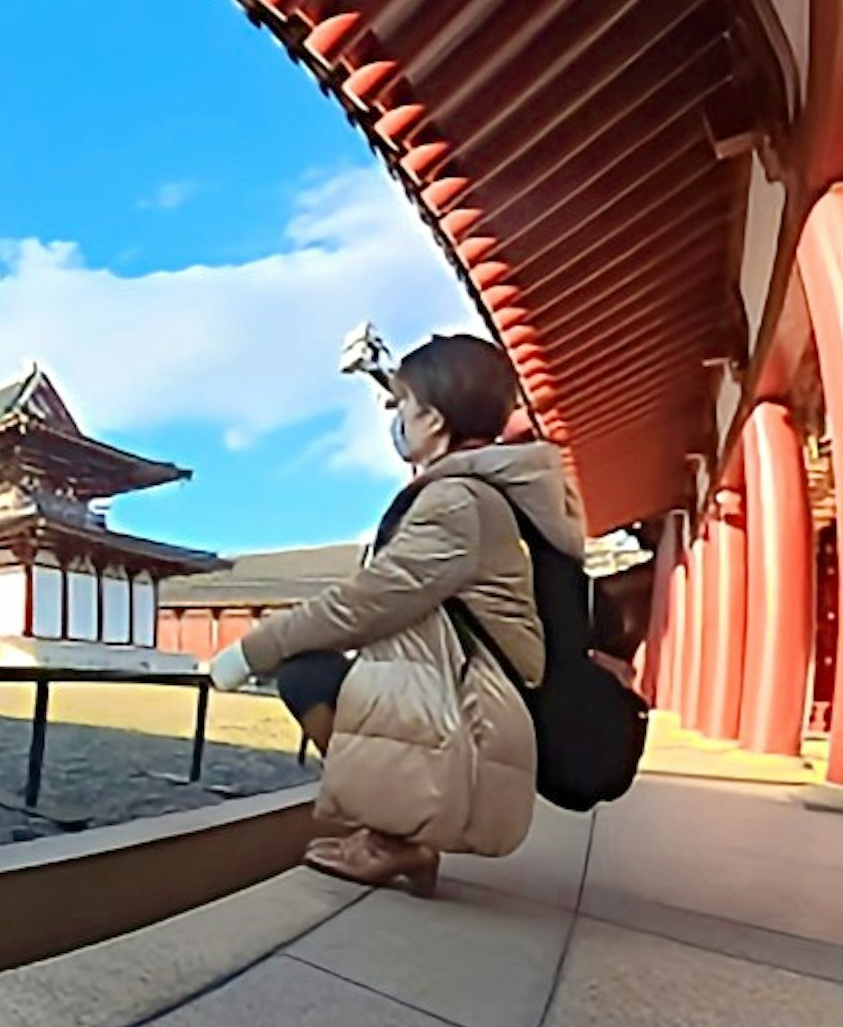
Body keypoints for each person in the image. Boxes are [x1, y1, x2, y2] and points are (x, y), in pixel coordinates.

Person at [207, 335, 587, 894]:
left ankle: (394, 838)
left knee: (306, 672)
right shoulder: (494, 493)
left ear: (432, 420)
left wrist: (250, 651)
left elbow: (367, 602)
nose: (398, 420)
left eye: (404, 406)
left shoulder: (458, 501)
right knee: (331, 668)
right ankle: (397, 835)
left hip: (475, 710)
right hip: (489, 698)